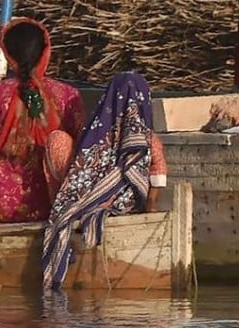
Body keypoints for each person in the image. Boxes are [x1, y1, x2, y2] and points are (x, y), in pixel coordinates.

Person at [0, 17, 86, 225]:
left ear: (8, 54)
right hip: (53, 205)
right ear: (45, 52)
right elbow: (86, 145)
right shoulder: (68, 96)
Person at [41, 72, 168, 290]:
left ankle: (65, 205)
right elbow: (159, 175)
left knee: (58, 139)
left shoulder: (93, 133)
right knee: (58, 140)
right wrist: (150, 207)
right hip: (124, 204)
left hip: (89, 200)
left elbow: (157, 174)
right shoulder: (148, 138)